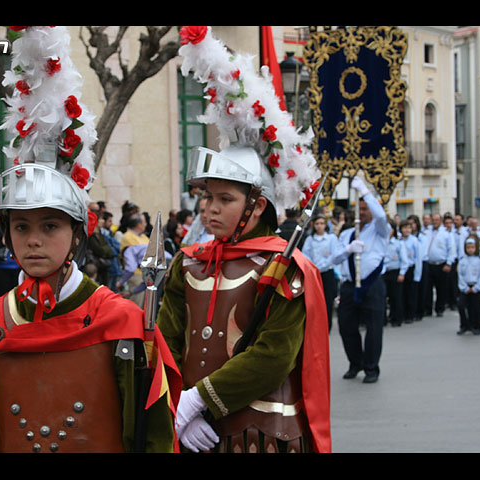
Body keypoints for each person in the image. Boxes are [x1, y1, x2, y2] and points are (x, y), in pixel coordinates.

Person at [0, 25, 180, 453]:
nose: (34, 240)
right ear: (5, 234)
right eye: (21, 227)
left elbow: (152, 437)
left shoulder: (123, 324)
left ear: (78, 234)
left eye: (50, 226)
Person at [157, 25, 330, 454]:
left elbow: (272, 357)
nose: (209, 208)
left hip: (263, 435)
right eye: (207, 197)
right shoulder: (189, 262)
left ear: (257, 206)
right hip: (193, 433)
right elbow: (167, 339)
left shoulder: (284, 267)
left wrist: (197, 400)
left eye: (225, 198)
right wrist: (175, 405)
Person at [331, 176, 390, 384]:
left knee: (374, 328)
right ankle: (355, 363)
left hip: (372, 285)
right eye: (361, 209)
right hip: (348, 285)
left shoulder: (380, 230)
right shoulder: (347, 234)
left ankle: (371, 368)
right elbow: (334, 258)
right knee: (346, 326)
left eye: (366, 209)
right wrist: (348, 249)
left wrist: (365, 192)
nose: (363, 212)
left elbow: (381, 216)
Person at [301, 214, 338, 331]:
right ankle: (316, 325)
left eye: (322, 223)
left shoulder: (331, 238)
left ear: (325, 225)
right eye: (317, 224)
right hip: (314, 273)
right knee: (314, 300)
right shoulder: (310, 239)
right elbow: (305, 254)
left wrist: (321, 266)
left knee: (327, 300)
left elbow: (334, 255)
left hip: (327, 272)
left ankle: (327, 325)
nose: (319, 226)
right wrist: (313, 267)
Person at [424, 213, 456, 318]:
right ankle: (428, 308)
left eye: (437, 220)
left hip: (441, 264)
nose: (435, 222)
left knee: (441, 288)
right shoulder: (427, 232)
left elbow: (452, 250)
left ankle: (440, 308)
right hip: (429, 263)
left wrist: (448, 263)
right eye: (433, 220)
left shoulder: (446, 233)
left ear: (441, 221)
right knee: (428, 288)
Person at [457, 236, 480, 335]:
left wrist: (476, 287)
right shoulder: (462, 260)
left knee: (476, 308)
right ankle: (464, 325)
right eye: (468, 247)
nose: (470, 249)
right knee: (461, 305)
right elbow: (460, 275)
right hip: (465, 287)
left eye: (472, 247)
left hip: (475, 287)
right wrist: (464, 288)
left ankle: (477, 326)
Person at [382, 220, 408, 327]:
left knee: (395, 297)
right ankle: (383, 319)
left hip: (394, 271)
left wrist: (402, 273)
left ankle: (396, 318)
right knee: (382, 297)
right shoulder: (380, 242)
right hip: (383, 272)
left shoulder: (398, 243)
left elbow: (404, 260)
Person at [399, 219, 422, 324]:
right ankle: (402, 313)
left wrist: (417, 274)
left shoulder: (414, 241)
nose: (407, 230)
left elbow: (418, 258)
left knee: (411, 293)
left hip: (411, 267)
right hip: (401, 269)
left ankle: (410, 314)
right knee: (402, 293)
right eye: (404, 228)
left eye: (409, 228)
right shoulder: (399, 240)